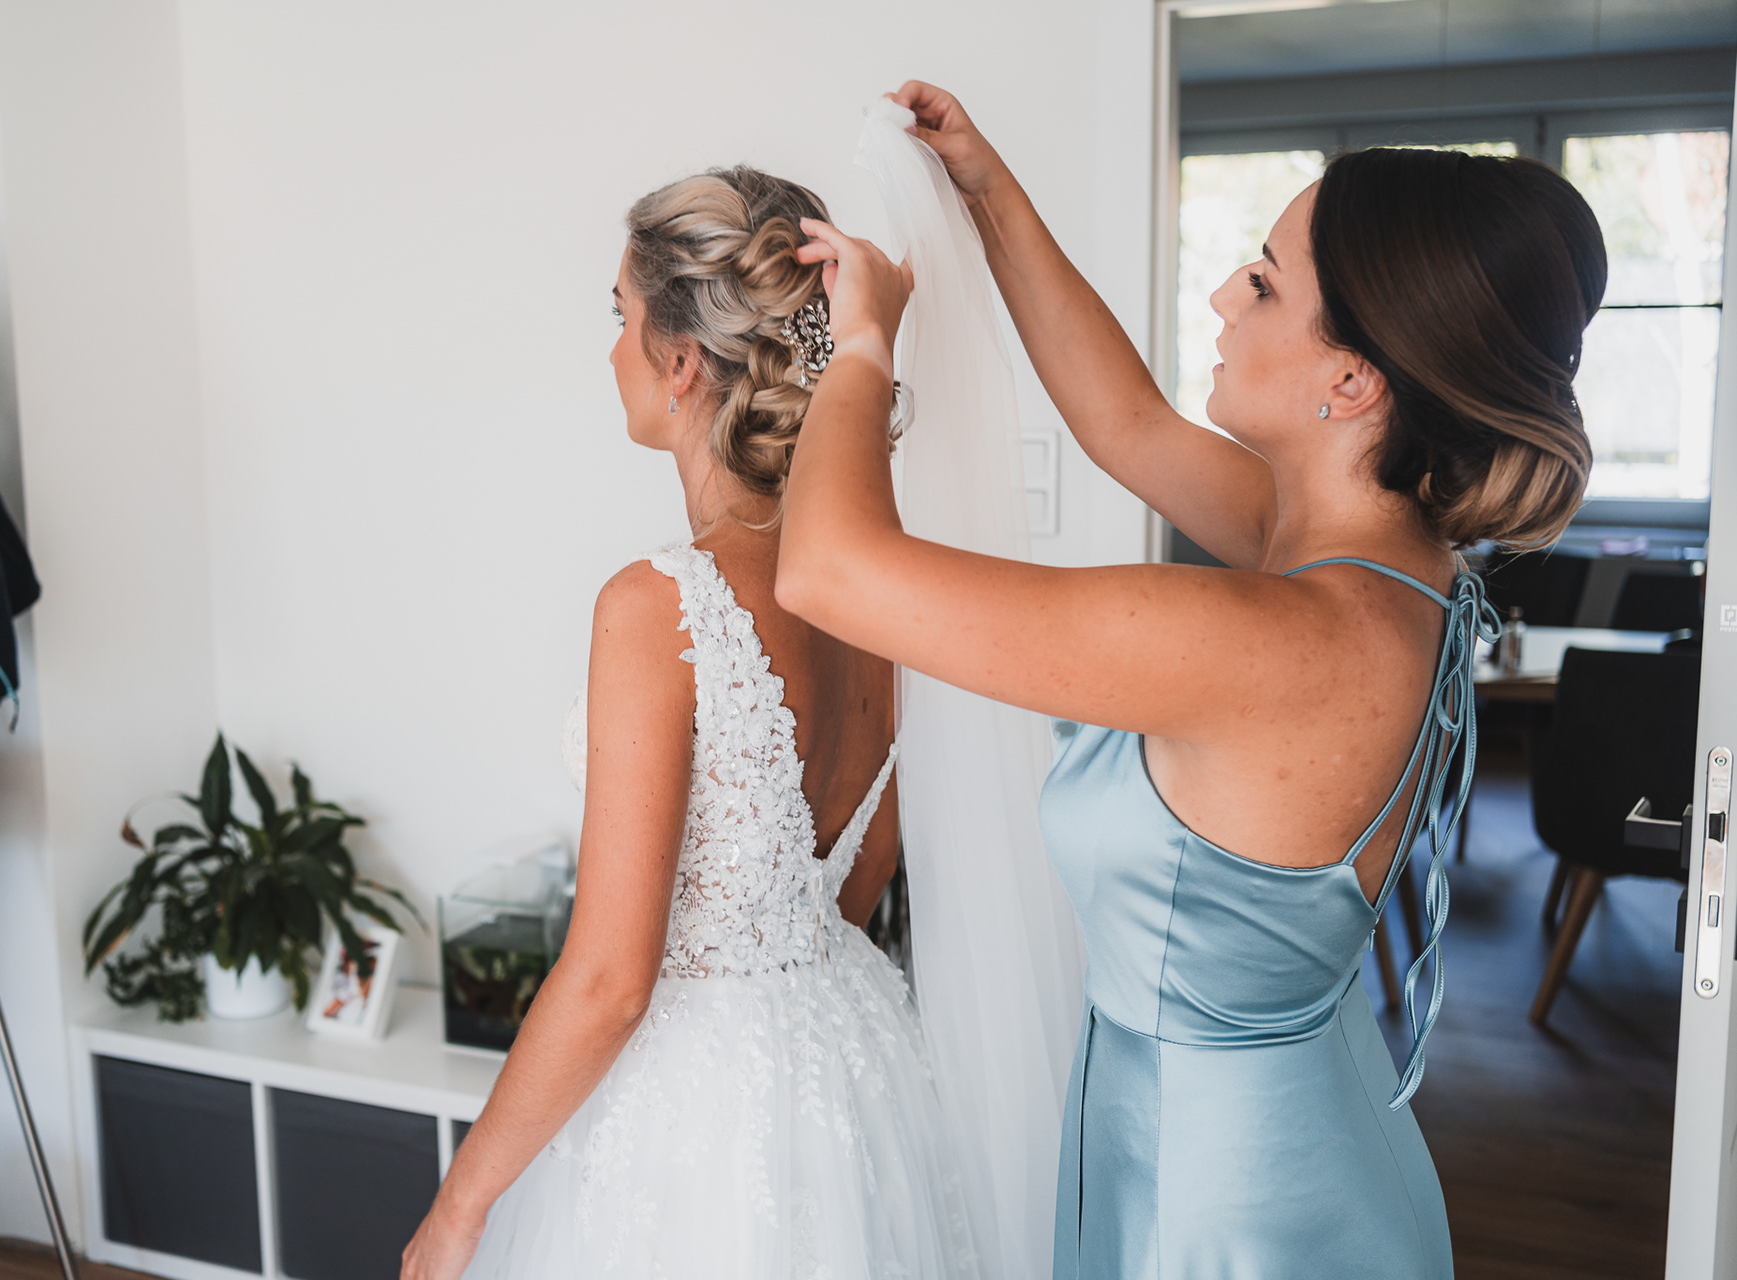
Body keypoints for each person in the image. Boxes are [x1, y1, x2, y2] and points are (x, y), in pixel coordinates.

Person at [775, 82, 1604, 1280]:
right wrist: (986, 186)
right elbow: (1124, 420)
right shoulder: (1382, 566)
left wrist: (862, 342)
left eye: (1263, 281)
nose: (1222, 294)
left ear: (1354, 380)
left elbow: (829, 569)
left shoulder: (1273, 637)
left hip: (1224, 1207)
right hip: (1281, 1137)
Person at [402, 165, 979, 1280]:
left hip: (701, 1118)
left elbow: (612, 978)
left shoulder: (657, 604)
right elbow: (860, 875)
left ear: (678, 362)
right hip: (852, 1073)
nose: (611, 348)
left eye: (619, 315)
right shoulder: (873, 588)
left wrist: (461, 1206)